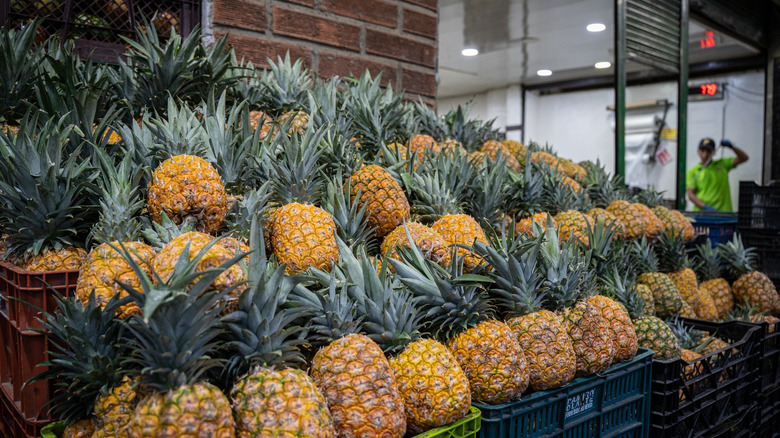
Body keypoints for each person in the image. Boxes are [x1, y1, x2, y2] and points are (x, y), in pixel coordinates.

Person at [686, 138, 749, 212]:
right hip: (702, 214)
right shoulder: (693, 172)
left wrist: (732, 147)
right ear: (698, 151)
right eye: (702, 151)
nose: (705, 154)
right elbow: (691, 194)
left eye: (708, 151)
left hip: (723, 213)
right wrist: (705, 207)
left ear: (713, 152)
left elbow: (744, 158)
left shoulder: (722, 165)